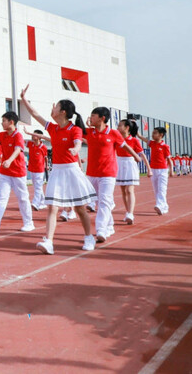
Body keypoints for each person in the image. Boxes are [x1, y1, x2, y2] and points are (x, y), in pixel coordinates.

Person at [19, 84, 96, 255]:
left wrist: (76, 150)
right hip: (57, 171)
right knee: (52, 207)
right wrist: (24, 99)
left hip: (71, 170)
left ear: (63, 112)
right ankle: (49, 242)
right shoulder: (53, 128)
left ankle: (89, 236)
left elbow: (77, 142)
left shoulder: (74, 129)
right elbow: (35, 114)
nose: (52, 110)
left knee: (80, 208)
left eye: (56, 107)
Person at [83, 107, 143, 242]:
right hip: (92, 173)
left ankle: (101, 230)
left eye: (93, 116)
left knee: (104, 201)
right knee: (99, 202)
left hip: (108, 173)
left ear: (102, 118)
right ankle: (109, 225)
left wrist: (136, 156)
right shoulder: (88, 132)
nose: (90, 118)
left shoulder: (113, 133)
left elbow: (125, 146)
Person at [138, 127, 175, 215]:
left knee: (162, 189)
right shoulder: (152, 144)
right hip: (153, 169)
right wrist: (134, 124)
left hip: (163, 170)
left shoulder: (165, 146)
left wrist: (171, 170)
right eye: (153, 133)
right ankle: (164, 207)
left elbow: (169, 159)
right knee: (156, 190)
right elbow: (140, 136)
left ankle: (159, 205)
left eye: (155, 133)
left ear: (161, 135)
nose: (152, 135)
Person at [23, 129, 49, 211]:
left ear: (39, 137)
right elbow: (22, 141)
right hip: (32, 168)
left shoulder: (43, 147)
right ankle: (43, 202)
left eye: (34, 134)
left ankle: (35, 203)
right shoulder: (30, 144)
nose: (32, 136)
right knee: (37, 187)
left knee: (38, 187)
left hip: (40, 169)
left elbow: (45, 157)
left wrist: (47, 166)